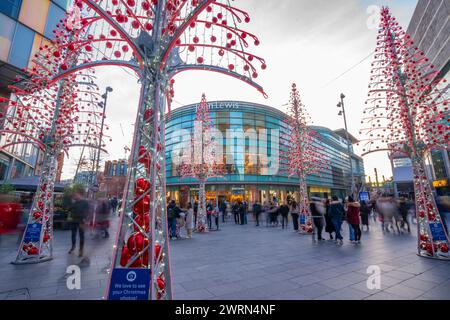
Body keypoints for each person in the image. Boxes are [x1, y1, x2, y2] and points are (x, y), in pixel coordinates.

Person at [68, 191, 89, 257]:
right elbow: (69, 209)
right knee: (73, 235)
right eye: (75, 195)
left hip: (81, 221)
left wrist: (85, 218)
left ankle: (81, 250)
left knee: (81, 236)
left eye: (76, 195)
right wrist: (72, 203)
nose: (75, 196)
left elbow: (87, 211)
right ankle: (73, 246)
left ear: (80, 195)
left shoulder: (85, 202)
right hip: (74, 220)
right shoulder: (74, 202)